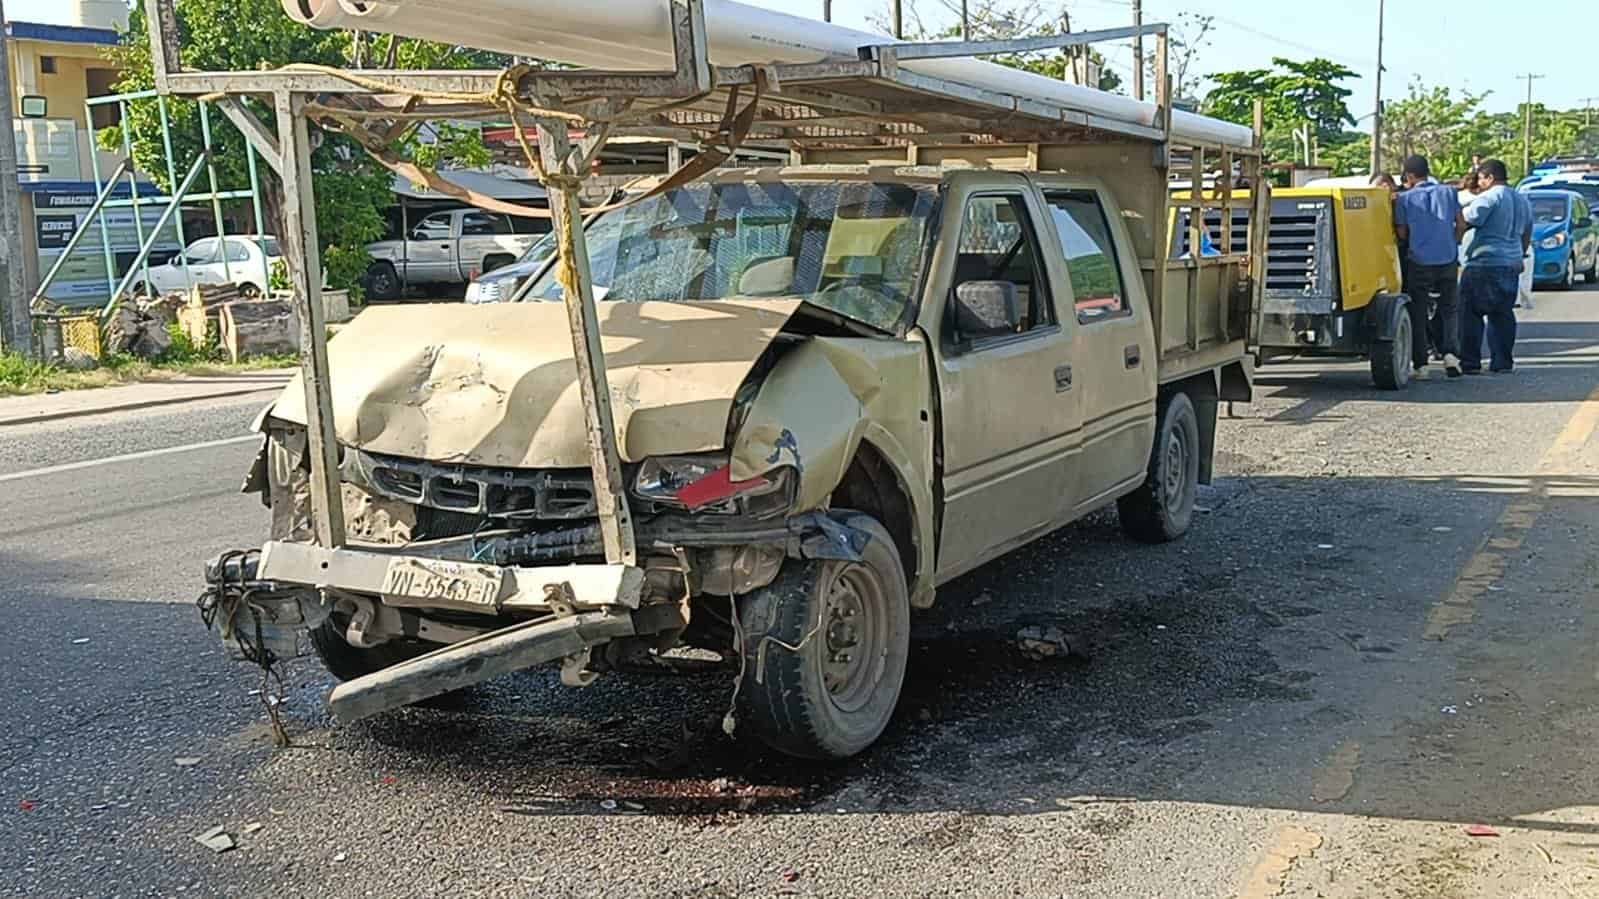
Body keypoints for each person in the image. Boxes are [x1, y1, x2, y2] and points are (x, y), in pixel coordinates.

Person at [1457, 158, 1532, 374]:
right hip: (1511, 263)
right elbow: (1527, 232)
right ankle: (1502, 362)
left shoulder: (1490, 197)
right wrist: (1519, 254)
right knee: (1503, 314)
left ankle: (1470, 363)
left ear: (1489, 178)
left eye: (1481, 179)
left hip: (1484, 262)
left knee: (1470, 313)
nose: (1479, 184)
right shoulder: (1522, 200)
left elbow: (1465, 218)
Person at [1392, 155, 1462, 377]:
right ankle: (1450, 355)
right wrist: (1454, 241)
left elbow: (1402, 232)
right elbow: (1461, 223)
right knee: (1449, 308)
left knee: (1418, 312)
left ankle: (1421, 364)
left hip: (1419, 260)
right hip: (1448, 258)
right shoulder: (1449, 192)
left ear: (1409, 176)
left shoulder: (1404, 199)